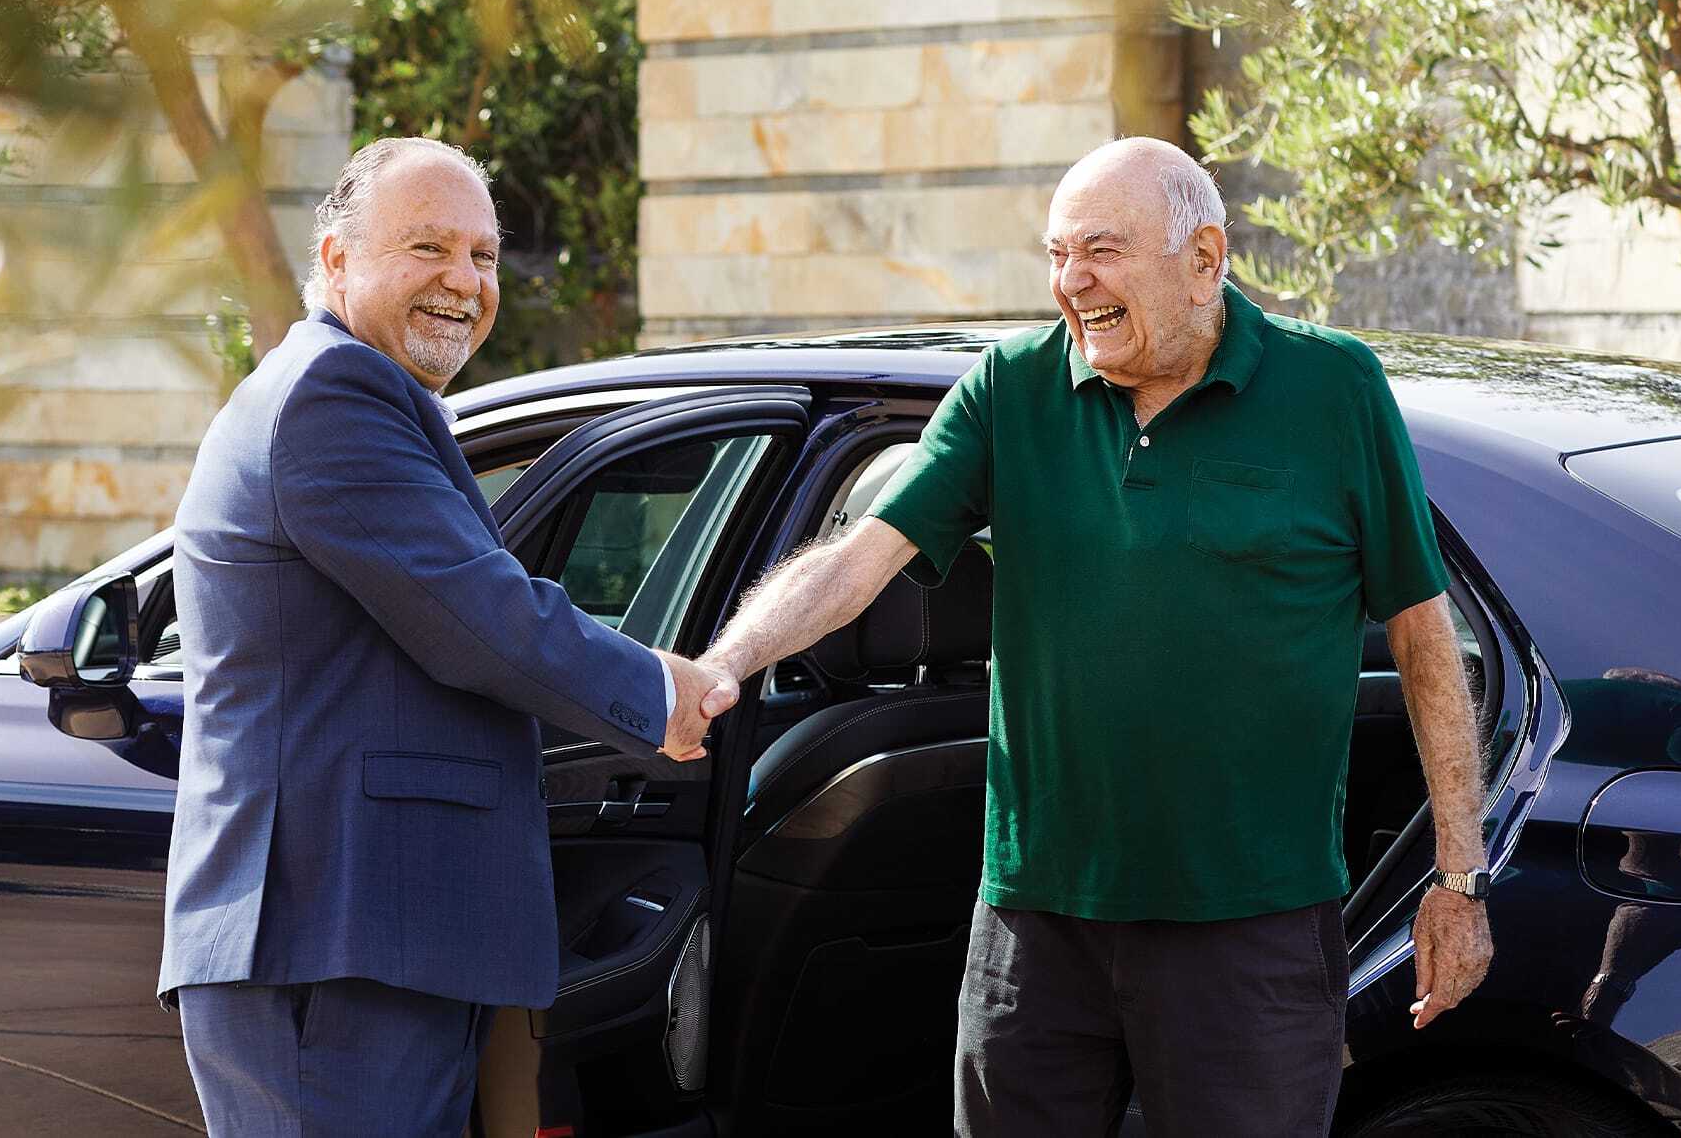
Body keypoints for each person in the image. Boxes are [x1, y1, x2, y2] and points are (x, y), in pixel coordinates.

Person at [691, 137, 1497, 1136]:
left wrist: (1458, 878)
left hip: (1250, 930)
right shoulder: (1012, 390)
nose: (1073, 283)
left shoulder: (1332, 391)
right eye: (1058, 254)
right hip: (1036, 931)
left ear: (1205, 259)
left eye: (1103, 252)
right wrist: (726, 662)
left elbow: (1425, 640)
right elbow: (860, 559)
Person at [159, 137, 731, 1136]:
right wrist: (657, 690)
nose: (464, 282)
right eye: (429, 248)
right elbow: (479, 616)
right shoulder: (333, 395)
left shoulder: (349, 391)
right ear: (335, 260)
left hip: (370, 942)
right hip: (329, 944)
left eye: (485, 256)